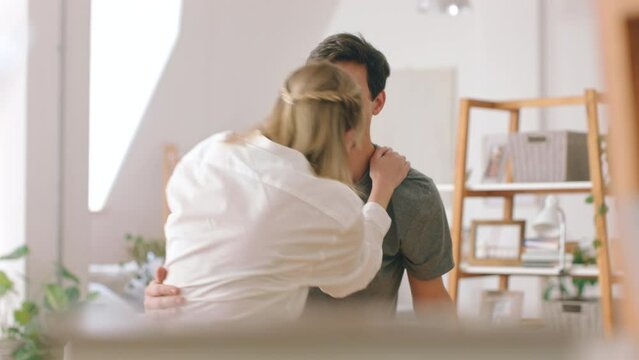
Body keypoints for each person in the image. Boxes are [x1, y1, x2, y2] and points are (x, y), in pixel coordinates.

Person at [146, 33, 455, 320]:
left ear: (378, 103)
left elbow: (432, 303)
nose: (328, 114)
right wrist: (169, 292)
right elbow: (208, 260)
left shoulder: (413, 194)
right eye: (322, 98)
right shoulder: (299, 189)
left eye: (346, 97)